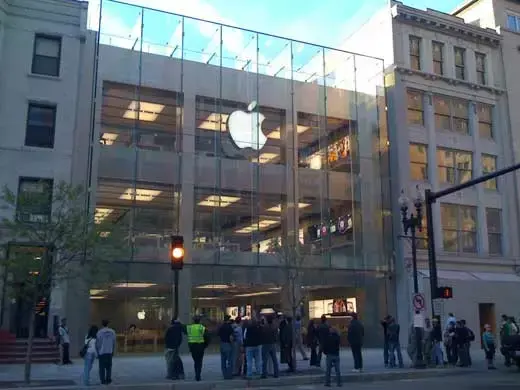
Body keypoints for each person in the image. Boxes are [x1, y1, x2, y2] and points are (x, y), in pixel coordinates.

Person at [186, 315, 208, 382]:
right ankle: (198, 375)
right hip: (200, 346)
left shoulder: (189, 327)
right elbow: (207, 337)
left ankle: (197, 374)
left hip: (193, 347)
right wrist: (205, 345)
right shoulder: (202, 327)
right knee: (199, 361)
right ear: (199, 321)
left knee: (196, 361)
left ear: (193, 321)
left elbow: (183, 328)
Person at [96, 319, 116, 385]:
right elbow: (114, 342)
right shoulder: (112, 332)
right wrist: (113, 350)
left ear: (102, 324)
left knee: (101, 367)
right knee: (109, 367)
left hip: (102, 352)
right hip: (109, 351)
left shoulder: (99, 332)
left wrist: (98, 351)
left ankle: (103, 380)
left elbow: (98, 343)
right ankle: (108, 379)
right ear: (108, 324)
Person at [218, 315, 234, 380]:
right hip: (228, 344)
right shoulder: (229, 327)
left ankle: (225, 375)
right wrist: (232, 344)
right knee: (230, 361)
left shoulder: (221, 327)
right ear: (228, 320)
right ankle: (229, 375)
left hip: (222, 344)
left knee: (223, 361)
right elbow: (231, 337)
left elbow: (218, 335)